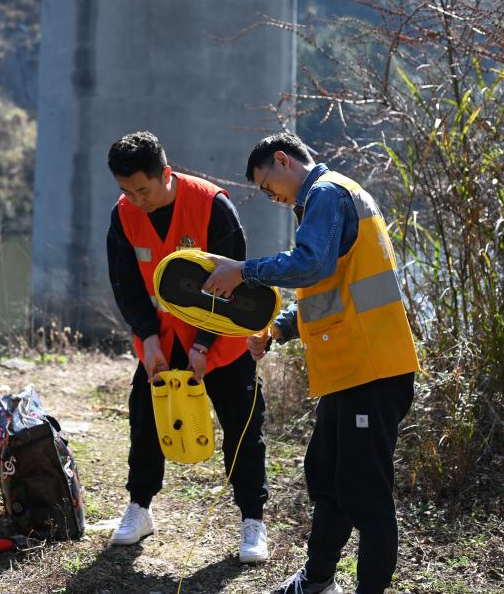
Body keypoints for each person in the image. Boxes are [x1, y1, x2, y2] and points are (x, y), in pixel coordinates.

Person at [202, 133, 419, 594]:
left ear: (282, 160)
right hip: (351, 371)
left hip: (373, 370)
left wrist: (242, 269)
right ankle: (318, 581)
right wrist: (277, 329)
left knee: (365, 495)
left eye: (267, 186)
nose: (272, 198)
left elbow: (311, 264)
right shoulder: (332, 198)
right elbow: (327, 285)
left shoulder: (325, 193)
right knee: (326, 476)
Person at [105, 130, 270, 563]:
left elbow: (237, 283)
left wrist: (204, 343)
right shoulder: (123, 214)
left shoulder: (213, 206)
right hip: (160, 338)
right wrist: (147, 337)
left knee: (242, 428)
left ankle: (253, 521)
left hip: (222, 337)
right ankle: (139, 508)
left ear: (166, 173)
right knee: (145, 418)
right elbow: (125, 284)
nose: (135, 200)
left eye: (142, 189)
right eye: (126, 191)